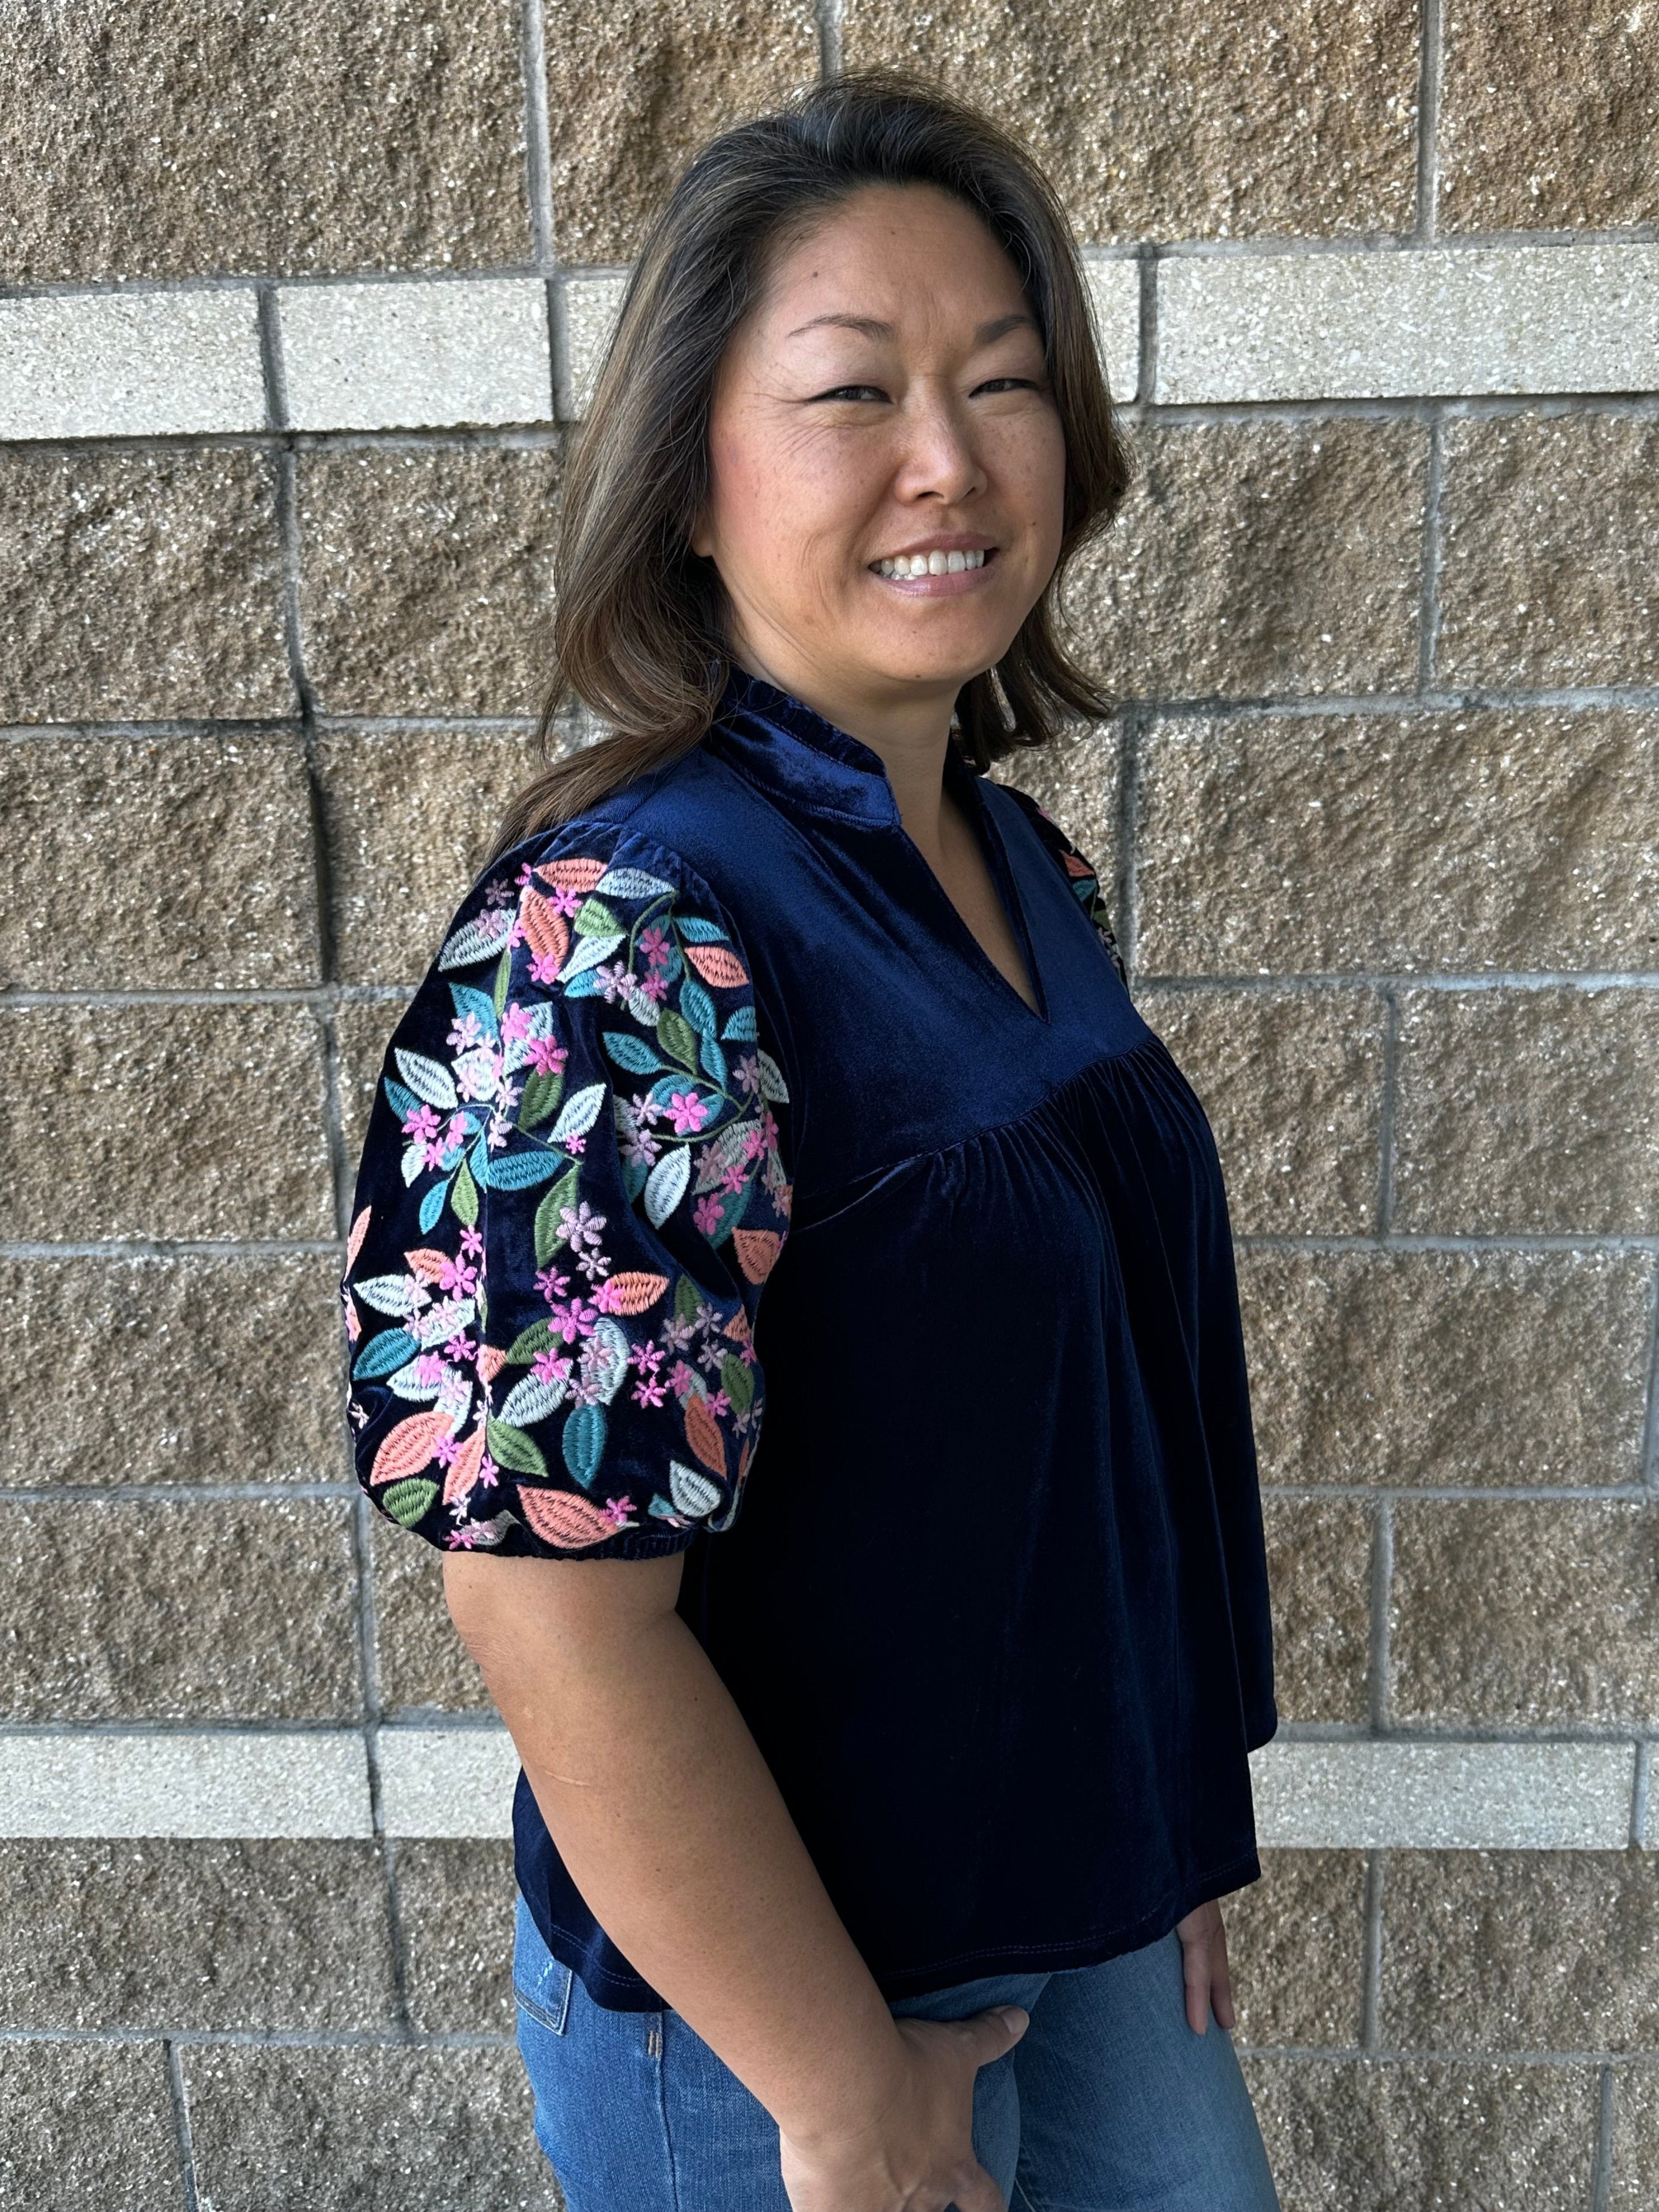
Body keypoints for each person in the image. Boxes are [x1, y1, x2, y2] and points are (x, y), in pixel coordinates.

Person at [340, 69, 1281, 2212]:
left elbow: (1109, 1414)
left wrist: (1164, 1812)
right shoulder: (621, 947)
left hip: (1087, 1916)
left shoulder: (1020, 865)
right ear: (690, 479)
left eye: (1006, 383)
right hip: (774, 2023)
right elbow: (551, 1612)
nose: (950, 461)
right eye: (855, 392)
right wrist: (837, 2089)